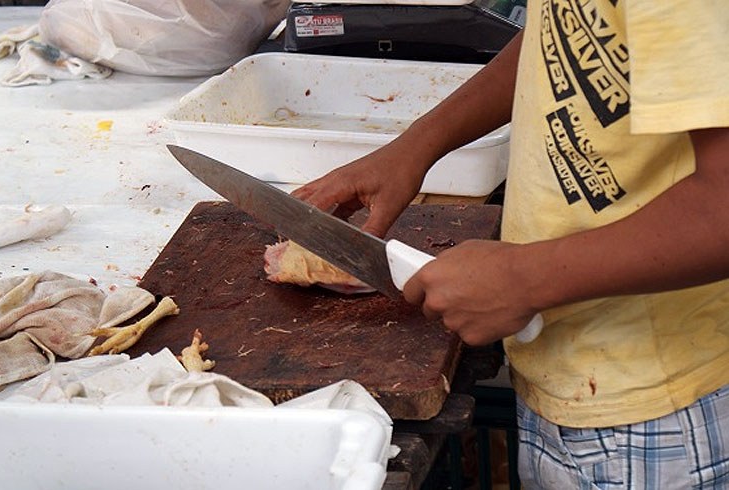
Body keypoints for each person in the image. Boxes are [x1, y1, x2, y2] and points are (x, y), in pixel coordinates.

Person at [293, 1, 729, 488]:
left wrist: (523, 278)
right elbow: (558, 37)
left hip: (656, 413)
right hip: (570, 370)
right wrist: (415, 148)